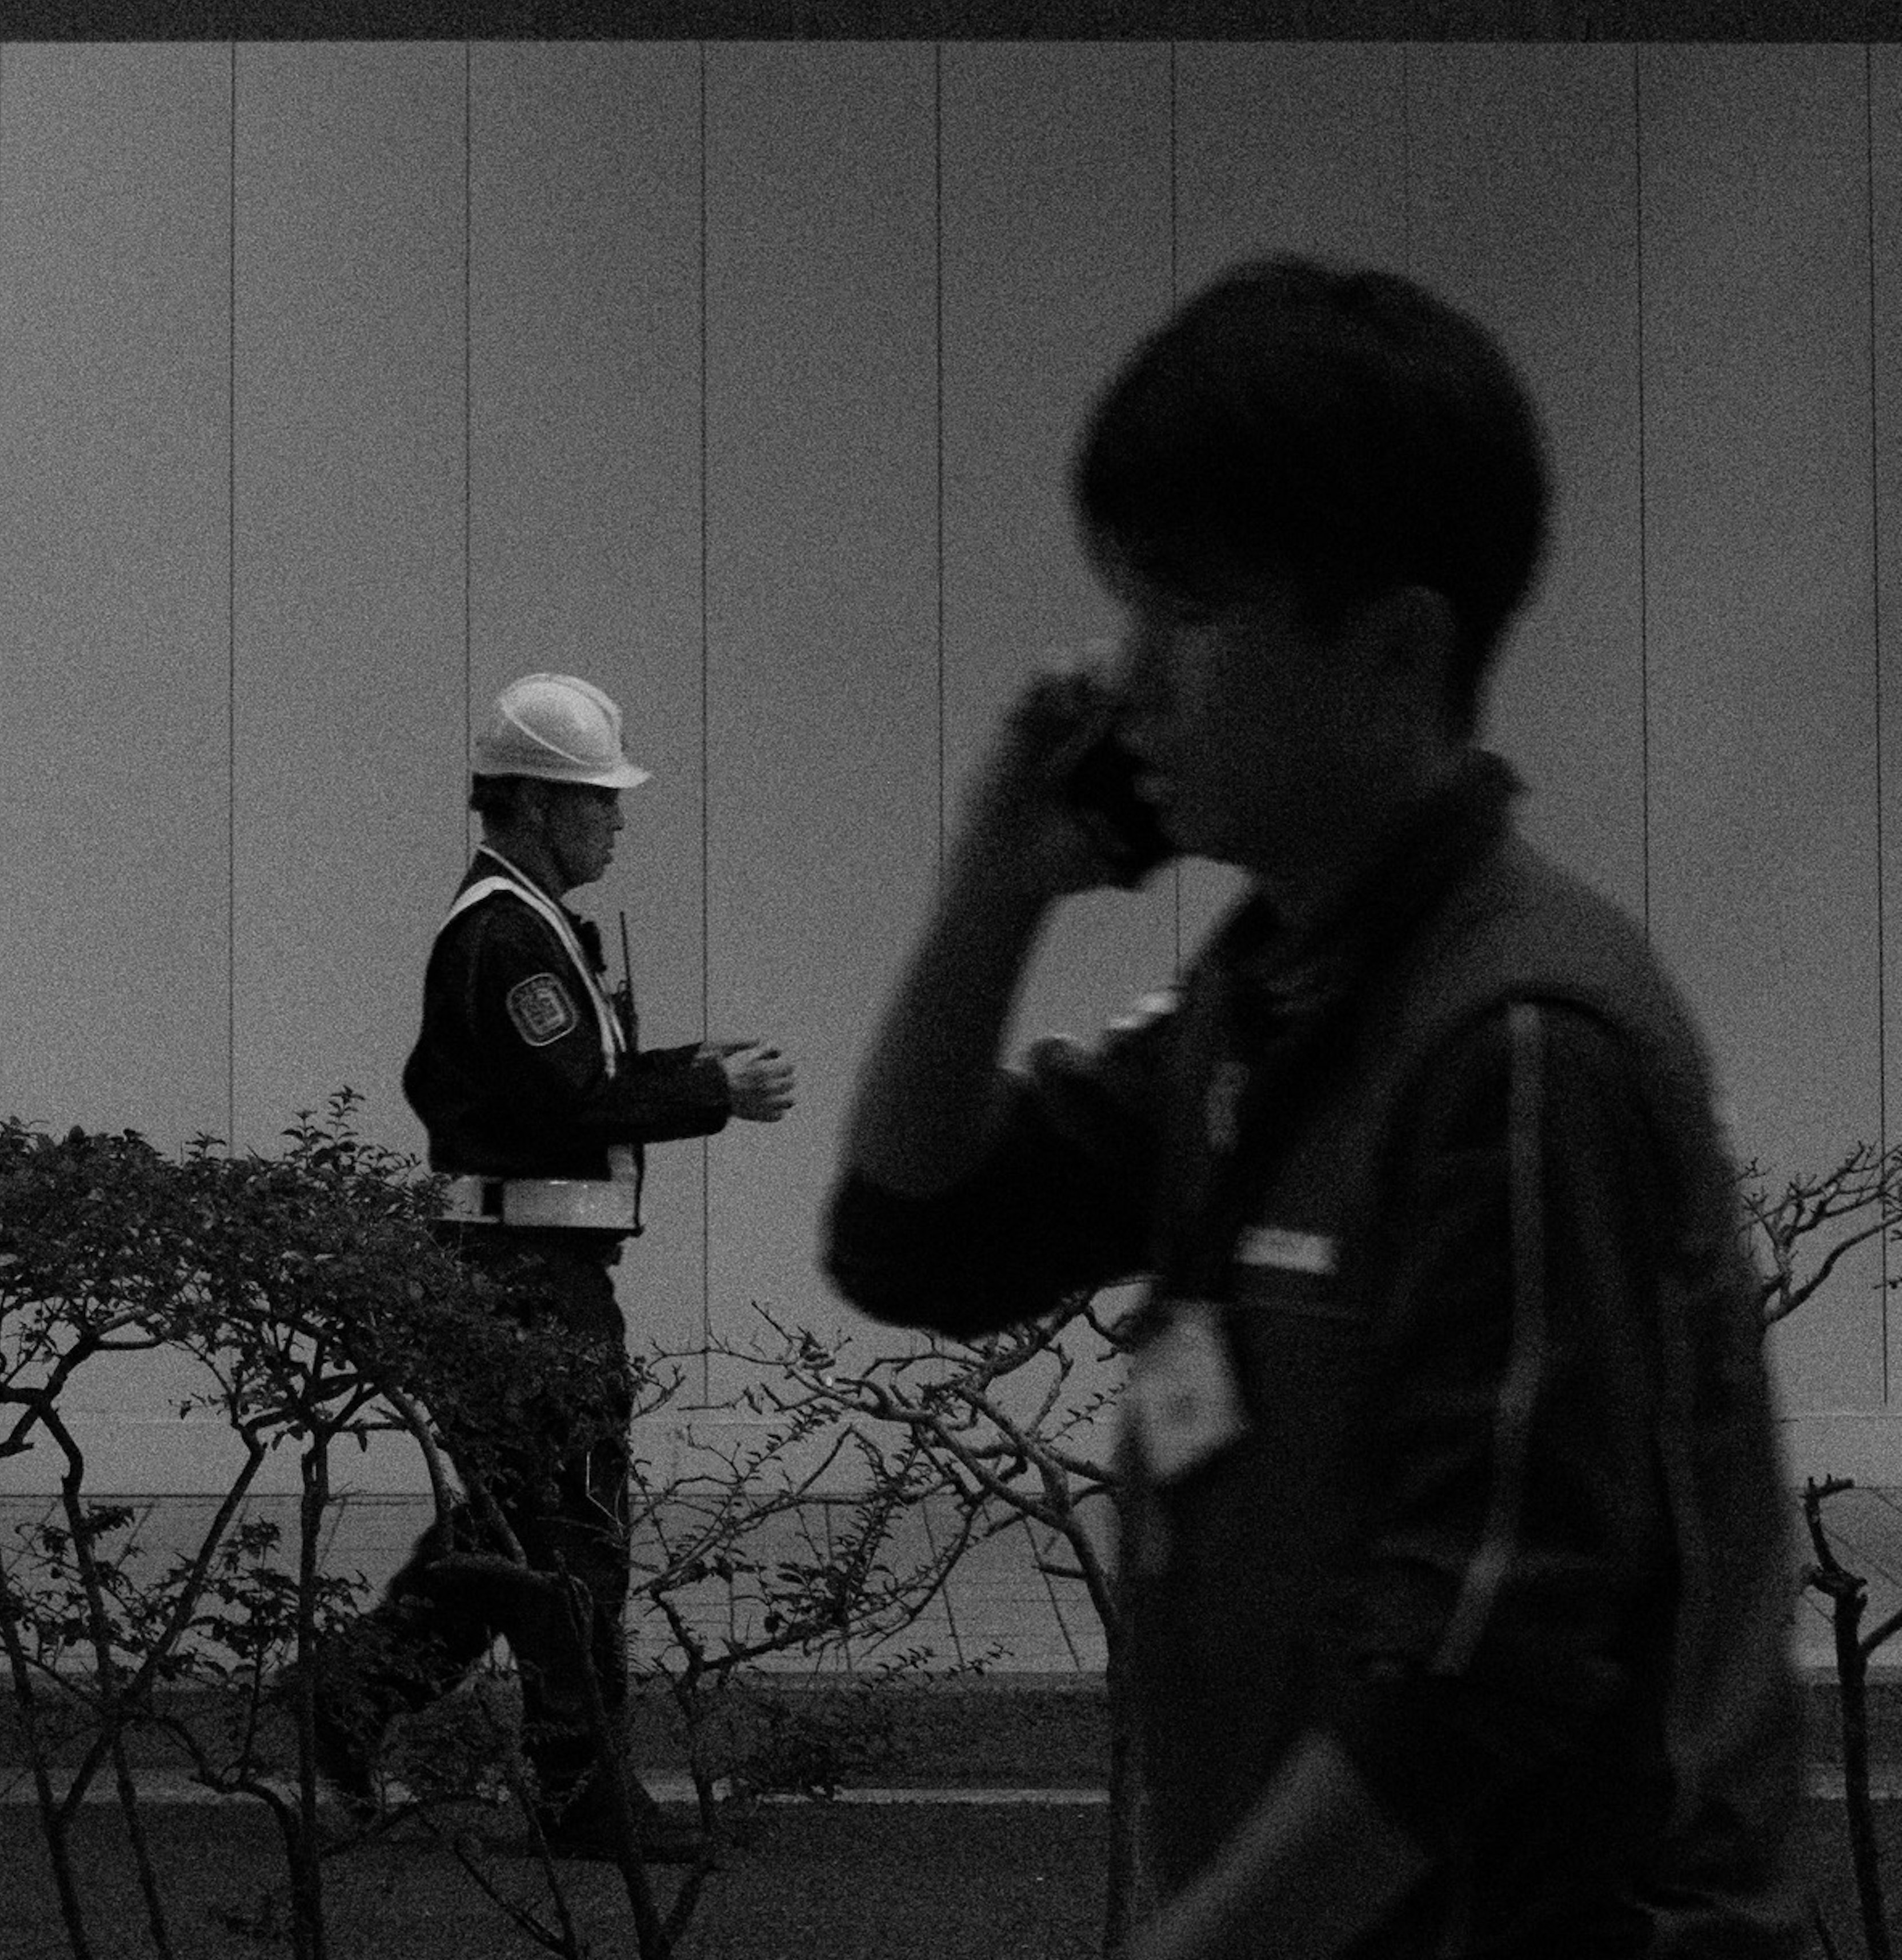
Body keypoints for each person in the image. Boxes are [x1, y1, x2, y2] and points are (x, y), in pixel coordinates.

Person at [821, 256, 1814, 1959]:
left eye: (1189, 615)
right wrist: (995, 889)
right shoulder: (1271, 999)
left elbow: (1478, 1659)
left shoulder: (1516, 1046)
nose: (1127, 680)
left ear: (1395, 650)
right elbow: (919, 1237)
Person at [314, 672, 794, 1863]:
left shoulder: (521, 925)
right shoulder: (505, 935)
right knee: (570, 1532)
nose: (617, 820)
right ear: (533, 801)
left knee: (517, 1530)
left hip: (518, 1267)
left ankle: (353, 1696)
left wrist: (690, 1063)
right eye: (598, 798)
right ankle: (581, 1796)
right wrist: (713, 1088)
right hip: (525, 1277)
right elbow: (571, 1097)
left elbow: (567, 1080)